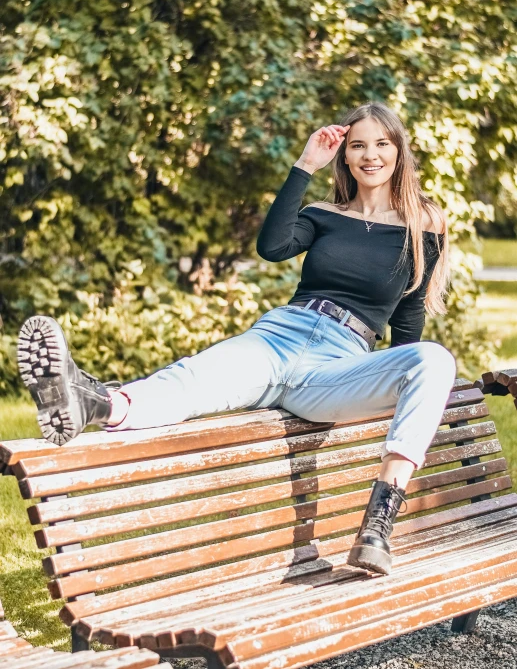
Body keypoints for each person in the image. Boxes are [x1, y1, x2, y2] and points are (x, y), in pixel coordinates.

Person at [17, 101, 456, 576]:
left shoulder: (423, 223)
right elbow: (272, 247)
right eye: (358, 146)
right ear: (344, 157)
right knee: (190, 378)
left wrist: (402, 388)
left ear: (398, 151)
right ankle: (93, 403)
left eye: (381, 144)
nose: (370, 155)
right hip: (277, 339)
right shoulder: (324, 213)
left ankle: (377, 525)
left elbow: (409, 316)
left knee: (433, 360)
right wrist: (305, 164)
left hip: (338, 365)